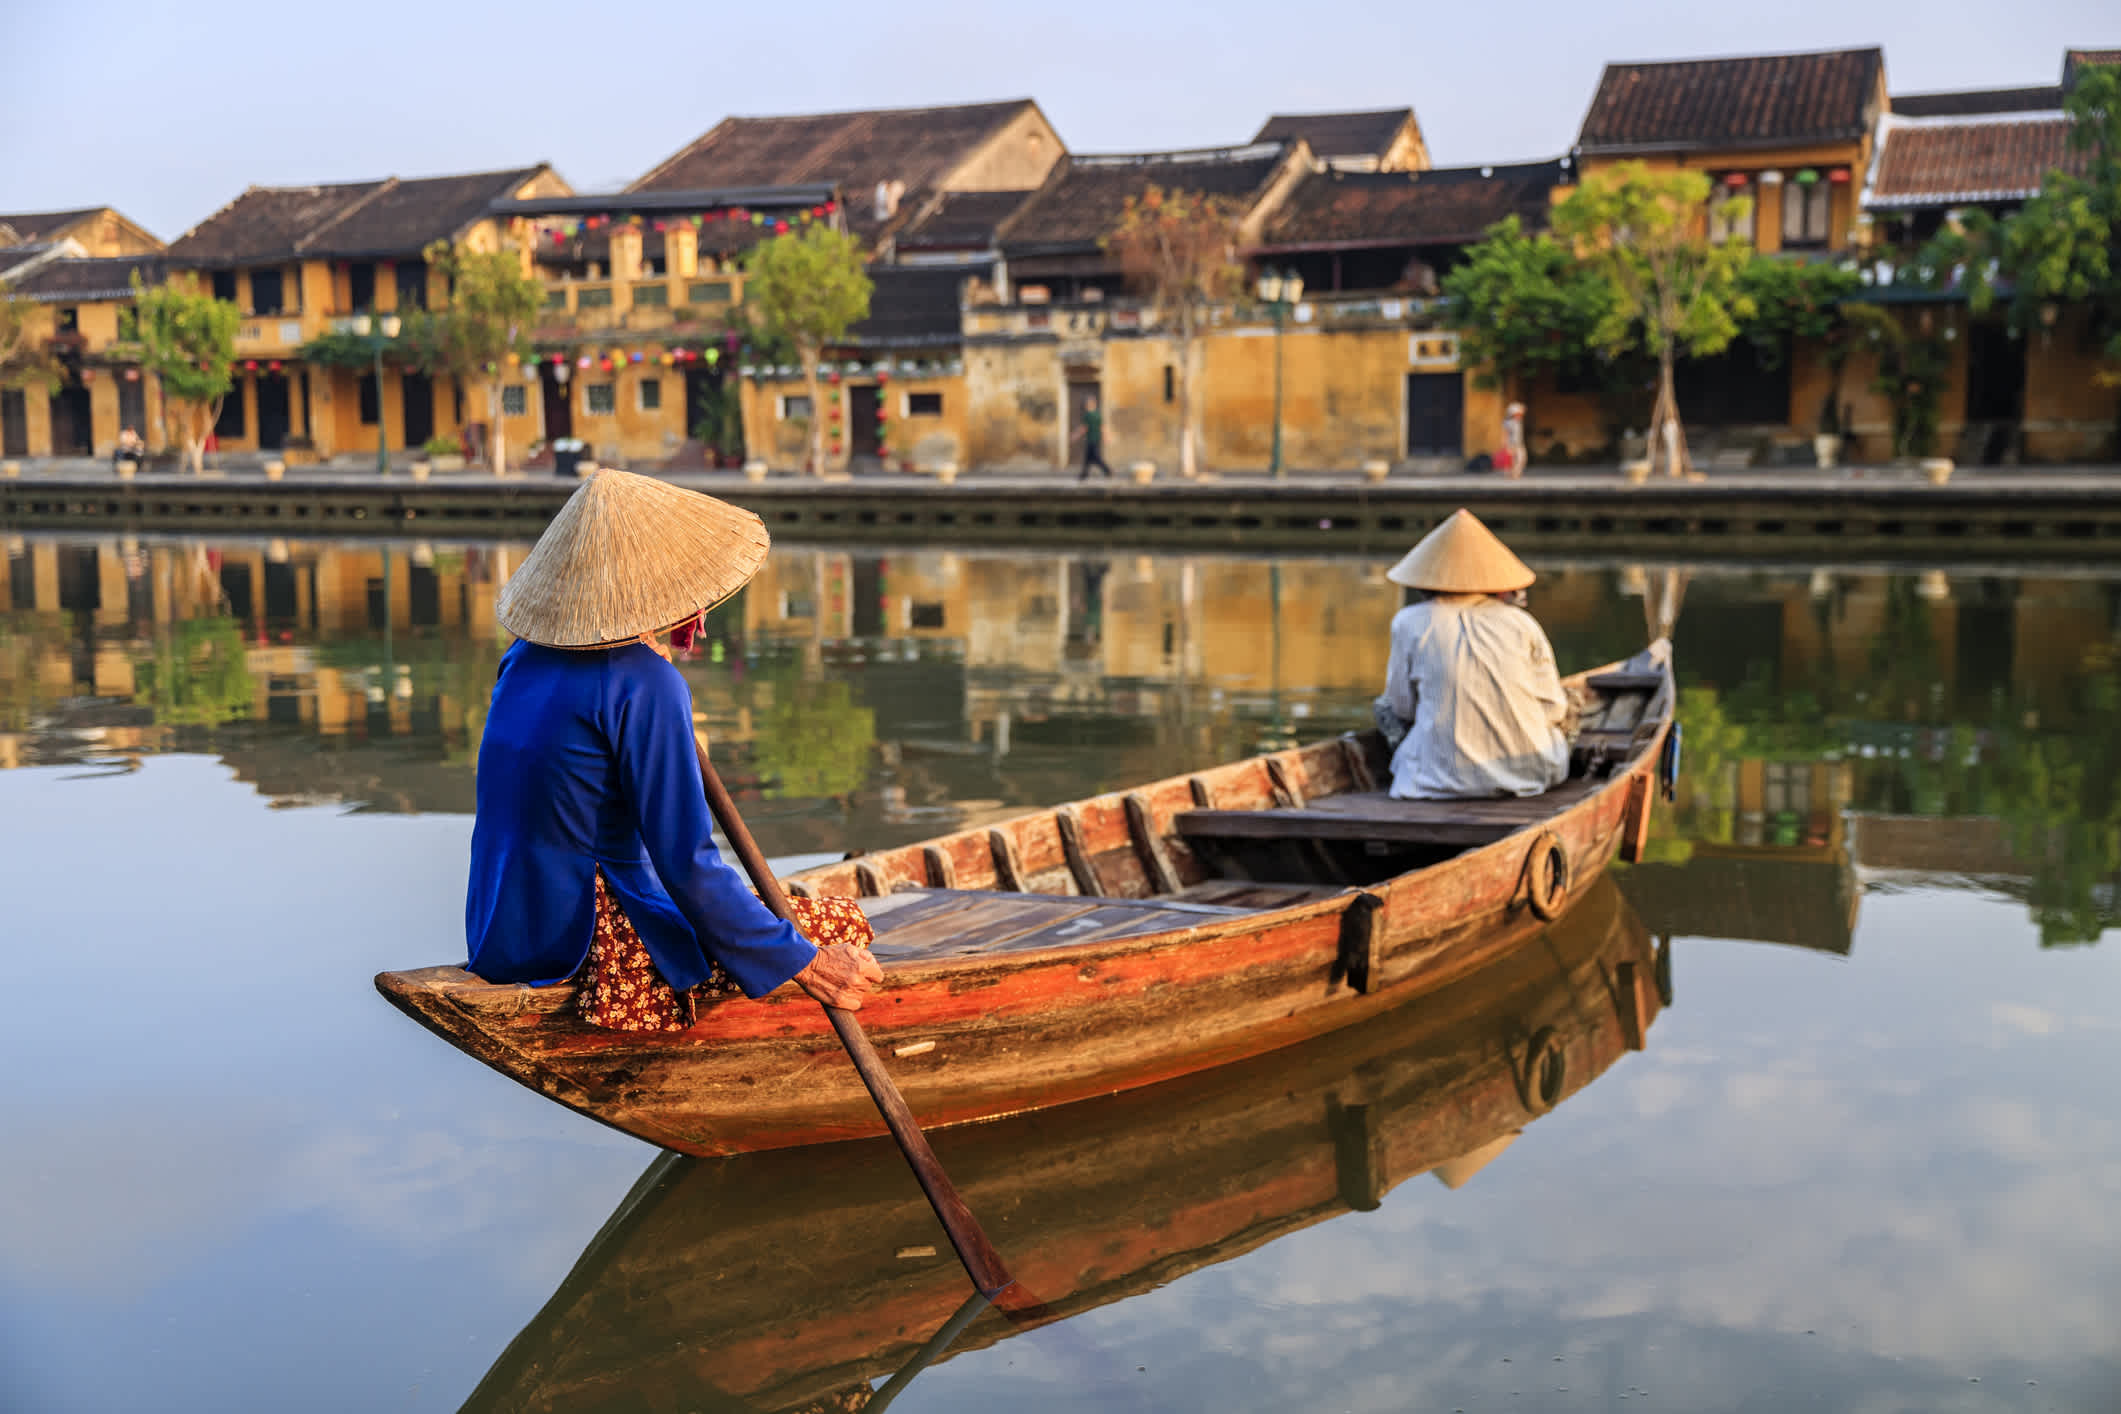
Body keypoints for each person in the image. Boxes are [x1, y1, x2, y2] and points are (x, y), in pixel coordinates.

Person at [465, 469, 882, 1032]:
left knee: (781, 913)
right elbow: (686, 863)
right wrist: (806, 963)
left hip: (501, 929)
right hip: (586, 939)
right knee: (844, 922)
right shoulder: (645, 685)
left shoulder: (523, 658)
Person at [1372, 508, 1571, 799]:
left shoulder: (1409, 622)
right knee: (1569, 712)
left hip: (1433, 780)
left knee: (1383, 708)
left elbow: (1402, 708)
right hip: (1529, 775)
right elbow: (1553, 709)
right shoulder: (1521, 623)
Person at [1073, 394, 1113, 481]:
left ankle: (1108, 471)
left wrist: (1075, 436)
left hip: (1091, 439)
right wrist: (1106, 437)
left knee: (1095, 457)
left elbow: (1084, 428)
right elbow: (1102, 427)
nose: (1085, 405)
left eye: (1086, 404)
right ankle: (1084, 474)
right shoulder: (1098, 414)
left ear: (1089, 404)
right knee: (1088, 458)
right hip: (1096, 439)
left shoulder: (1088, 415)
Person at [1500, 402, 1527, 480]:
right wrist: (1504, 443)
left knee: (1521, 459)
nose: (1520, 415)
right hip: (1511, 444)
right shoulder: (1508, 422)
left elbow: (1523, 409)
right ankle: (1513, 475)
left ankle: (1515, 473)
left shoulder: (1518, 421)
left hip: (1519, 443)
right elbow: (1505, 433)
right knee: (1513, 460)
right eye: (1518, 414)